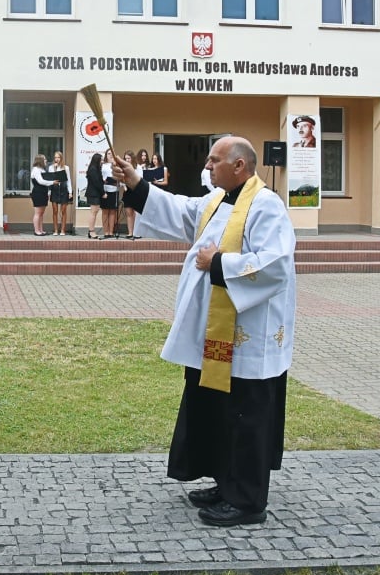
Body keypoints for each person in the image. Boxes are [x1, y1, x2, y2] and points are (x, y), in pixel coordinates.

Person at [113, 136, 295, 527]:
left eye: (214, 161)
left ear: (240, 166)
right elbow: (179, 210)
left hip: (249, 335)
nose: (208, 167)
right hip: (215, 333)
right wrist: (136, 182)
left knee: (245, 414)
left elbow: (275, 264)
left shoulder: (266, 205)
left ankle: (247, 501)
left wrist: (219, 262)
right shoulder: (216, 200)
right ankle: (225, 481)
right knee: (219, 411)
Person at [48, 151, 73, 236]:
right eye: (55, 157)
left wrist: (70, 192)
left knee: (63, 211)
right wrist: (49, 192)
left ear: (61, 158)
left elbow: (68, 180)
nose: (56, 159)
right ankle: (55, 230)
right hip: (54, 189)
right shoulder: (51, 167)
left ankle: (63, 230)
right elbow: (50, 180)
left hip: (63, 189)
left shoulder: (66, 168)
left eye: (58, 157)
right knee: (55, 211)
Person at [30, 154, 55, 236]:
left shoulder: (42, 170)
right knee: (37, 212)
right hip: (38, 193)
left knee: (41, 213)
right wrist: (52, 182)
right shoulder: (36, 170)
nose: (46, 161)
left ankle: (41, 230)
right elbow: (41, 181)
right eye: (44, 159)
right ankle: (36, 230)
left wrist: (48, 192)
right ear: (40, 160)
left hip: (43, 192)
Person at [101, 149, 119, 239]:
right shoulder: (102, 165)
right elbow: (99, 176)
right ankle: (106, 231)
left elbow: (120, 176)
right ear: (106, 155)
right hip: (105, 190)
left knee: (112, 211)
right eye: (108, 154)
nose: (110, 155)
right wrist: (103, 181)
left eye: (112, 154)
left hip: (114, 189)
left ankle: (111, 231)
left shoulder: (116, 165)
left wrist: (114, 164)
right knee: (105, 211)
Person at [85, 153, 103, 239]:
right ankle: (91, 231)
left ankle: (91, 231)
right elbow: (96, 183)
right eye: (101, 160)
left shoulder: (95, 168)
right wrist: (103, 193)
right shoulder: (93, 169)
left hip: (95, 193)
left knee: (95, 212)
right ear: (97, 160)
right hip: (93, 193)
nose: (102, 162)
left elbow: (98, 181)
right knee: (93, 212)